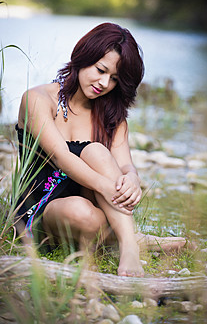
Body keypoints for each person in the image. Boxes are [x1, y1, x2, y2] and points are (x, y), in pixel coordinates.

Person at [15, 23, 193, 277]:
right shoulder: (38, 99)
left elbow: (125, 165)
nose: (104, 83)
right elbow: (60, 157)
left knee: (96, 156)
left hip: (95, 209)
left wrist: (132, 178)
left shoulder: (112, 116)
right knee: (83, 213)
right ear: (83, 56)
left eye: (114, 79)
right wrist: (106, 186)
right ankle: (133, 239)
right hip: (42, 209)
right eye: (101, 70)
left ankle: (129, 247)